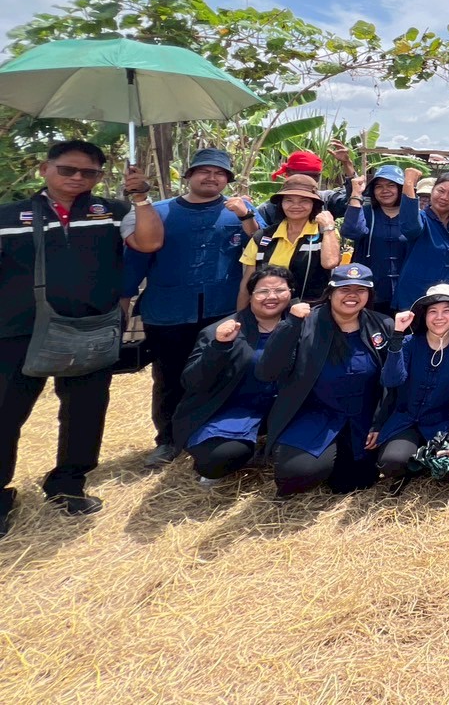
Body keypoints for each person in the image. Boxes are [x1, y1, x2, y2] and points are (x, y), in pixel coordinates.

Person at [0, 141, 160, 533]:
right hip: (17, 332)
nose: (76, 178)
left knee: (86, 413)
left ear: (100, 177)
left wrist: (139, 197)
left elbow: (150, 242)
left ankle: (69, 483)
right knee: (5, 414)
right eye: (67, 169)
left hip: (91, 329)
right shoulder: (7, 216)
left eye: (88, 173)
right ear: (44, 168)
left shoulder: (112, 212)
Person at [122, 147, 254, 469]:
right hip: (168, 311)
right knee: (169, 377)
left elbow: (262, 247)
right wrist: (123, 303)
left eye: (220, 173)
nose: (212, 177)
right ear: (189, 175)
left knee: (221, 375)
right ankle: (167, 440)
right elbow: (134, 263)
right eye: (204, 171)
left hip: (222, 311)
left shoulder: (240, 212)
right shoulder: (159, 213)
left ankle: (210, 435)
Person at [257, 263, 393, 497]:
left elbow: (392, 382)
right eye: (344, 289)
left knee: (356, 482)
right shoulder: (305, 323)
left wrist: (381, 423)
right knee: (296, 473)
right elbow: (267, 371)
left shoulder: (382, 325)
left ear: (369, 295)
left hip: (364, 418)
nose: (352, 295)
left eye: (360, 290)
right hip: (317, 413)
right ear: (330, 292)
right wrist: (290, 325)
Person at [173, 265, 293, 485]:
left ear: (290, 293)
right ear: (250, 295)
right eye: (263, 291)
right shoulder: (222, 331)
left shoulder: (300, 327)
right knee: (219, 458)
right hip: (231, 408)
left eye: (280, 290)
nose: (272, 297)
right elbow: (191, 381)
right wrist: (218, 347)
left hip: (281, 408)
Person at [373, 283, 449, 492]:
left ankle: (423, 456)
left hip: (442, 424)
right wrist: (397, 336)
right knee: (391, 462)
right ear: (424, 316)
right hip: (407, 420)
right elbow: (392, 380)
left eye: (446, 311)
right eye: (433, 311)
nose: (439, 317)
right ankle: (417, 456)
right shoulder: (410, 343)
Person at [238, 173, 341, 308]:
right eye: (289, 200)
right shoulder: (263, 237)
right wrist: (241, 319)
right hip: (269, 313)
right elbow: (247, 285)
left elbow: (330, 262)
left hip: (311, 314)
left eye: (304, 200)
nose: (295, 205)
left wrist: (328, 226)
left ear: (314, 205)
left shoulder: (324, 232)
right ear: (281, 204)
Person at [341, 164, 423, 316]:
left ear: (400, 188)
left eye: (391, 185)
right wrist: (356, 195)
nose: (385, 190)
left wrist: (410, 187)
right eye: (379, 186)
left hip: (406, 294)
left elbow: (413, 230)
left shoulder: (414, 216)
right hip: (371, 291)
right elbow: (352, 232)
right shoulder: (366, 213)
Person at [394, 171, 449, 311]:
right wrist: (409, 183)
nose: (444, 197)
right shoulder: (421, 219)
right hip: (415, 299)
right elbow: (410, 227)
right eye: (440, 191)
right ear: (432, 190)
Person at [256, 144, 355, 226]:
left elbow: (353, 203)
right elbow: (255, 236)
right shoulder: (268, 209)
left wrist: (348, 165)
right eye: (289, 201)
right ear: (288, 174)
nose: (305, 180)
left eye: (312, 176)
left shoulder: (326, 200)